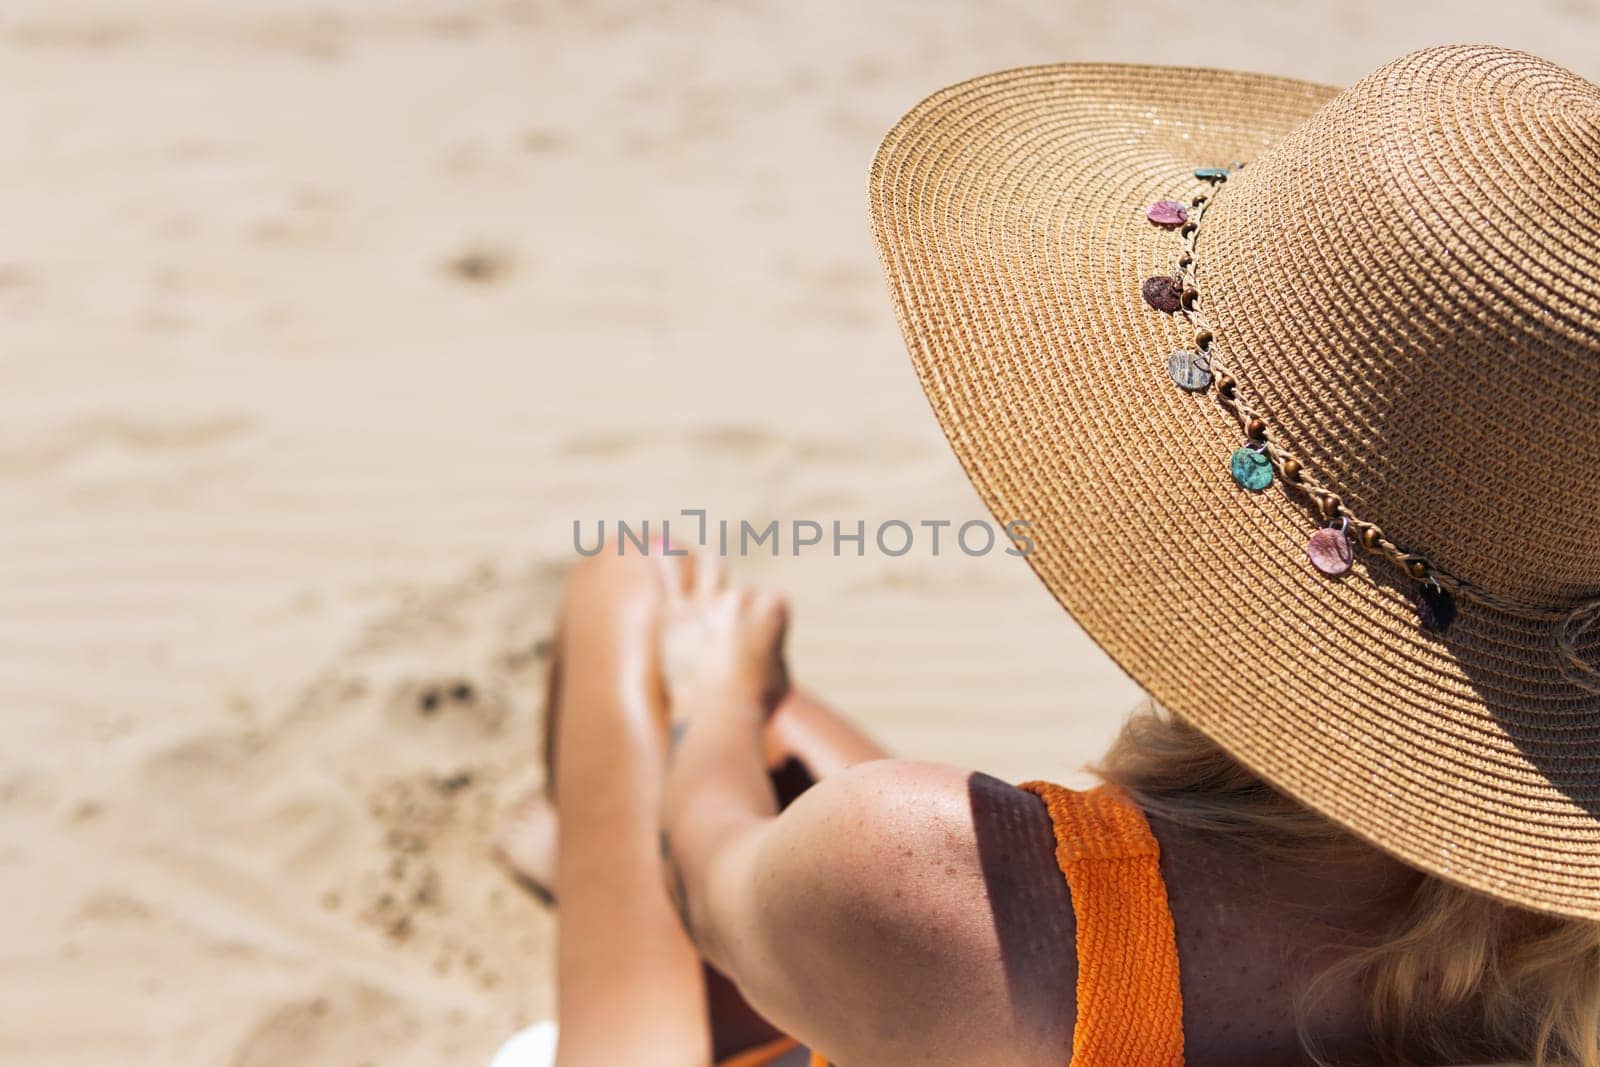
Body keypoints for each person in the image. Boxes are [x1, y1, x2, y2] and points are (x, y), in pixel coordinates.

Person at [494, 44, 1600, 1067]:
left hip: (935, 959)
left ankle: (597, 857)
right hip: (974, 974)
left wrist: (719, 706)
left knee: (636, 589)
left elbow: (709, 874)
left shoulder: (905, 871)